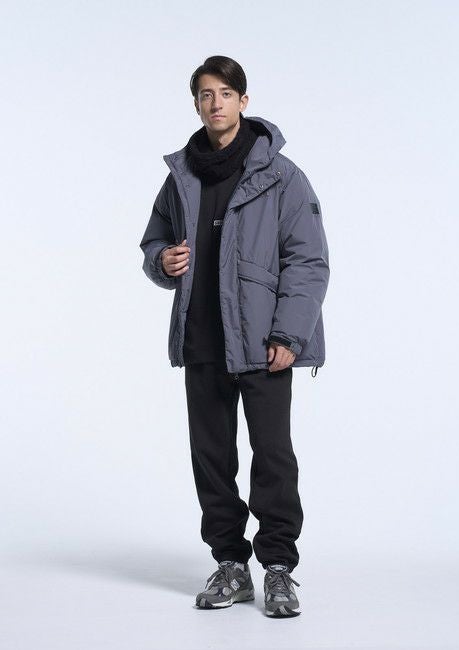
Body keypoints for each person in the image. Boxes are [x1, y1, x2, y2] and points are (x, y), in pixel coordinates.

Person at [139, 55, 330, 618]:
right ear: (196, 104)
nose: (215, 102)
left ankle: (278, 568)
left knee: (272, 457)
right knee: (211, 458)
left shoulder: (282, 175)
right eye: (206, 94)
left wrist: (289, 334)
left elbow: (308, 261)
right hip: (201, 336)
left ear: (244, 101)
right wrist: (162, 260)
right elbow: (153, 240)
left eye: (225, 93)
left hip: (264, 342)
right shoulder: (181, 176)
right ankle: (230, 564)